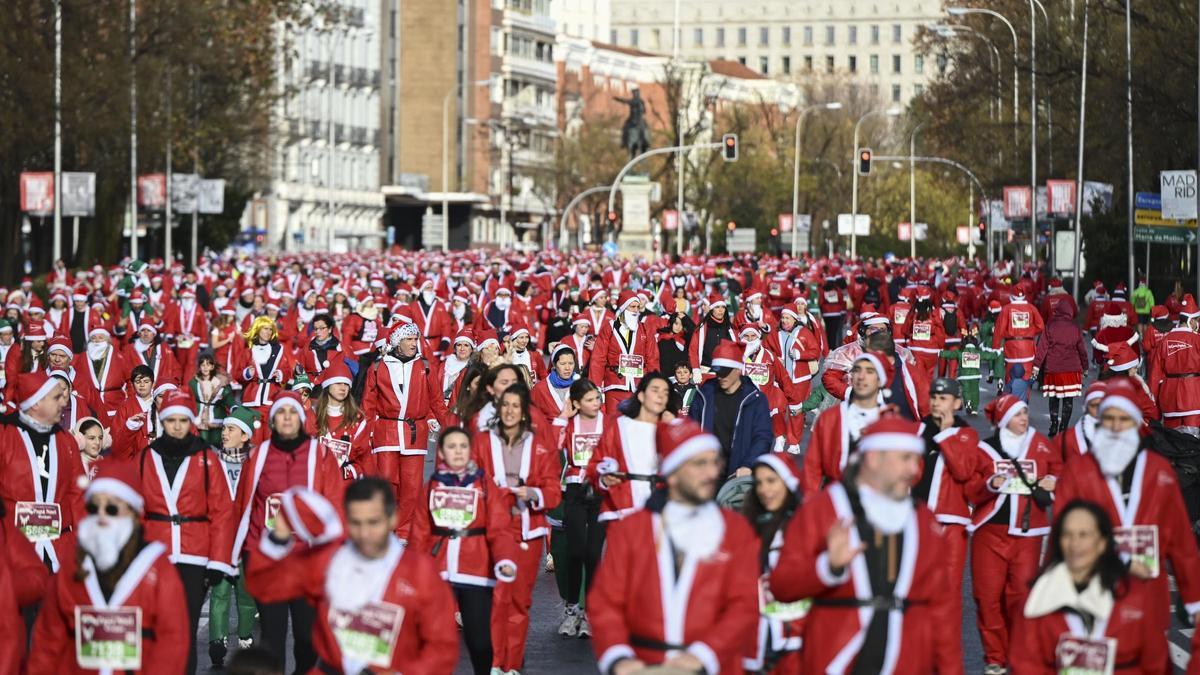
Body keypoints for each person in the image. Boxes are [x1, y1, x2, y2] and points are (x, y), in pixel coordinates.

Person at [770, 416, 962, 674]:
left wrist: (951, 669)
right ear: (873, 458)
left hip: (908, 659)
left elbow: (942, 607)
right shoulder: (824, 509)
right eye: (904, 458)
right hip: (836, 654)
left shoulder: (924, 520)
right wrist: (827, 567)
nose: (914, 470)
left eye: (915, 460)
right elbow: (782, 584)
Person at [588, 418, 759, 674]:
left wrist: (704, 655)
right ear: (673, 472)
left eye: (715, 462)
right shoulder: (632, 529)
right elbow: (606, 602)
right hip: (643, 664)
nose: (712, 473)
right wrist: (618, 657)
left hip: (714, 665)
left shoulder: (735, 530)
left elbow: (745, 604)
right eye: (700, 464)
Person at [244, 480, 459, 674]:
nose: (364, 533)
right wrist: (279, 535)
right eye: (356, 523)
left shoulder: (420, 572)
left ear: (392, 518)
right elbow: (264, 586)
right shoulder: (329, 561)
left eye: (373, 522)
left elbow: (442, 647)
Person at [1054, 379, 1200, 642]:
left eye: (1125, 419)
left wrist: (1193, 599)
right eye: (1109, 417)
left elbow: (1181, 542)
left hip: (1145, 591)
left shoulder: (1158, 470)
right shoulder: (1080, 470)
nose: (1116, 426)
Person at [29, 460, 190, 674]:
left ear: (133, 512)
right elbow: (49, 640)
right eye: (95, 507)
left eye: (112, 508)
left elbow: (172, 642)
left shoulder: (157, 568)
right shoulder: (72, 565)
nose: (102, 515)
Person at [229, 391, 345, 673]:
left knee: (307, 638)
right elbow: (243, 506)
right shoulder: (258, 456)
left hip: (307, 561)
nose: (287, 418)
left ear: (302, 418)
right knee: (272, 635)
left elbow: (335, 505)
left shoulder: (321, 455)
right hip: (267, 557)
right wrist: (236, 553)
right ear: (273, 420)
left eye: (293, 412)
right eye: (281, 413)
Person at [132, 389, 235, 674]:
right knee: (154, 626)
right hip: (155, 554)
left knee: (185, 629)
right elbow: (133, 512)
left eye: (182, 420)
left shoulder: (206, 458)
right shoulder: (145, 458)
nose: (177, 426)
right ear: (162, 422)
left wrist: (218, 562)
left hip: (194, 555)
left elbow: (222, 511)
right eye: (170, 420)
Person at [1010, 500, 1168, 674]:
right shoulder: (1035, 601)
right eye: (1067, 535)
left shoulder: (1135, 598)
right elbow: (1025, 665)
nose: (1074, 544)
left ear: (1102, 544)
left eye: (1084, 535)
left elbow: (1156, 664)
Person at [409, 427, 518, 675]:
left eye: (462, 446)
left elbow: (500, 528)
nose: (457, 451)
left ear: (471, 451)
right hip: (439, 572)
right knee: (434, 640)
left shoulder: (484, 484)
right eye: (451, 446)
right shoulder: (433, 485)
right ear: (442, 452)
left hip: (476, 571)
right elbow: (419, 532)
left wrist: (505, 560)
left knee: (479, 642)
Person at [967, 394, 1062, 674]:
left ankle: (1019, 652)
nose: (1024, 419)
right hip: (989, 533)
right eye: (1018, 415)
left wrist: (1052, 482)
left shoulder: (1042, 445)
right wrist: (990, 484)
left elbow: (1059, 472)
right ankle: (995, 657)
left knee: (1020, 596)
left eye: (1025, 413)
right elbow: (970, 488)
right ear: (1005, 420)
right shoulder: (985, 450)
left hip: (1028, 531)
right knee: (987, 598)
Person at [471, 382, 562, 674]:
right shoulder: (484, 442)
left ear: (525, 411)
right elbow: (470, 482)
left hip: (528, 529)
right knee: (498, 598)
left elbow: (553, 489)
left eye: (516, 406)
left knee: (519, 602)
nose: (510, 411)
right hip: (492, 532)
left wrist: (533, 494)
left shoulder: (538, 445)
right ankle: (496, 664)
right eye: (505, 405)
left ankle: (512, 665)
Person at [361, 322, 449, 540]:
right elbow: (368, 405)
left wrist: (452, 429)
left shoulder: (425, 366)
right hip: (386, 431)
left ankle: (403, 532)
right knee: (387, 482)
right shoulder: (378, 367)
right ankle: (387, 526)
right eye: (408, 339)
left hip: (414, 433)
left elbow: (437, 402)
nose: (413, 343)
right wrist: (364, 435)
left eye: (415, 339)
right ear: (397, 342)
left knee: (411, 487)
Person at [0, 371, 85, 573]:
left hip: (60, 551)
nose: (63, 403)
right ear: (36, 403)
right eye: (56, 398)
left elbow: (79, 496)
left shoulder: (66, 441)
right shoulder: (4, 437)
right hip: (16, 551)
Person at [916, 378, 979, 649]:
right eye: (934, 398)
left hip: (952, 521)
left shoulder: (966, 433)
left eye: (943, 399)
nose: (936, 403)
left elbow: (963, 470)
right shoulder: (919, 429)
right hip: (918, 519)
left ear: (956, 403)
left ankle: (944, 648)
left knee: (949, 589)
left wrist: (944, 433)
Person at [208, 406, 262, 667]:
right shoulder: (211, 460)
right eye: (224, 428)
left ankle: (245, 636)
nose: (224, 433)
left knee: (245, 590)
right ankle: (216, 642)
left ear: (245, 436)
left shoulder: (255, 463)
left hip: (246, 536)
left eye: (231, 429)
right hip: (220, 537)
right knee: (219, 590)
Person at [740, 452, 804, 674]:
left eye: (771, 481)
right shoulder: (749, 525)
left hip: (795, 639)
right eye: (759, 483)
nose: (764, 490)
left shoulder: (805, 525)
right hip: (758, 638)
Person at [801, 351, 891, 494]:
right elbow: (813, 465)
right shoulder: (830, 418)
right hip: (835, 495)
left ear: (881, 379)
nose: (862, 377)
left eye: (869, 371)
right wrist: (810, 501)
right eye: (856, 370)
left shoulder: (890, 420)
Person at [587, 371, 670, 526]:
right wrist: (603, 479)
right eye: (655, 390)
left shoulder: (671, 431)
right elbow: (595, 464)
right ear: (641, 396)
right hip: (621, 509)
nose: (661, 396)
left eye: (665, 392)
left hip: (658, 513)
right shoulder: (618, 426)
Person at [556, 378, 605, 638]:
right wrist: (563, 416)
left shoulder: (607, 423)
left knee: (594, 554)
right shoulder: (570, 423)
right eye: (588, 399)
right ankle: (571, 609)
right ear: (576, 403)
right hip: (574, 491)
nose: (595, 403)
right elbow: (551, 445)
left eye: (596, 398)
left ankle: (590, 613)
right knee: (576, 551)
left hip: (600, 493)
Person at [687, 340, 772, 480]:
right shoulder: (704, 394)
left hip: (737, 473)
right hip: (705, 472)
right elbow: (690, 428)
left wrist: (748, 465)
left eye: (726, 372)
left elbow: (763, 437)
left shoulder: (755, 399)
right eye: (718, 372)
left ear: (738, 370)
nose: (721, 377)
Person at [589, 291, 660, 415]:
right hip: (615, 386)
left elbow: (652, 358)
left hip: (639, 387)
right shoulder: (609, 328)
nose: (636, 310)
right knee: (614, 425)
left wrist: (654, 386)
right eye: (632, 307)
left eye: (638, 307)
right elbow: (598, 359)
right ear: (623, 308)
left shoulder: (645, 329)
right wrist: (595, 387)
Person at [1032, 298, 1089, 437]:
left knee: (1054, 398)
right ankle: (1064, 426)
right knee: (1068, 400)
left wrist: (1036, 366)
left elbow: (1042, 348)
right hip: (1071, 369)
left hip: (1053, 369)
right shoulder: (1075, 327)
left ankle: (1053, 424)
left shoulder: (1050, 325)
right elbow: (1082, 350)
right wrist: (1085, 367)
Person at [1147, 293, 1200, 435]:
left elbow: (1155, 374)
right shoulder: (1197, 340)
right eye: (1197, 320)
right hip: (1193, 396)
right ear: (1191, 321)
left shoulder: (1165, 340)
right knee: (1193, 442)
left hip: (1169, 396)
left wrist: (1153, 402)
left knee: (1171, 440)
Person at [313, 359, 368, 481]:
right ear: (328, 385)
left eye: (346, 384)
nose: (343, 388)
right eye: (338, 383)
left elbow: (365, 459)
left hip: (346, 486)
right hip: (317, 483)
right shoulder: (312, 416)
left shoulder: (357, 420)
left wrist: (347, 471)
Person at [234, 316, 295, 415]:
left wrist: (281, 374)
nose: (268, 332)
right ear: (258, 329)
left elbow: (288, 370)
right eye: (265, 328)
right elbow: (237, 374)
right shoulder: (248, 351)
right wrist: (247, 374)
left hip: (271, 397)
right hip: (251, 399)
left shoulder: (278, 350)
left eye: (270, 329)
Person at [992, 286, 1045, 386]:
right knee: (1026, 378)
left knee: (1010, 377)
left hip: (1011, 349)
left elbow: (999, 330)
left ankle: (1011, 400)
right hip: (1027, 349)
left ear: (1012, 296)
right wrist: (1029, 332)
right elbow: (1041, 326)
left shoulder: (1006, 309)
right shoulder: (1031, 308)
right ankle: (1024, 399)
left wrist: (996, 348)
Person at [189, 352, 236, 447]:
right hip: (200, 421)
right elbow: (188, 398)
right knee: (201, 445)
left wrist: (234, 408)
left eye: (208, 364)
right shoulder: (194, 382)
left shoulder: (221, 383)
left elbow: (229, 399)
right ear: (199, 367)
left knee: (219, 444)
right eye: (203, 365)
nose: (205, 367)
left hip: (217, 418)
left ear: (212, 366)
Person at [686, 295, 736, 383]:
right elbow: (693, 350)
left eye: (723, 307)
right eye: (717, 307)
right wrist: (696, 369)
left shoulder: (730, 329)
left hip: (726, 373)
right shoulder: (701, 328)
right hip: (705, 372)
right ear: (711, 309)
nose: (721, 310)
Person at [1060, 381, 1106, 456]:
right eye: (1094, 406)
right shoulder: (1066, 440)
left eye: (1104, 406)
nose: (1098, 411)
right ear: (1086, 407)